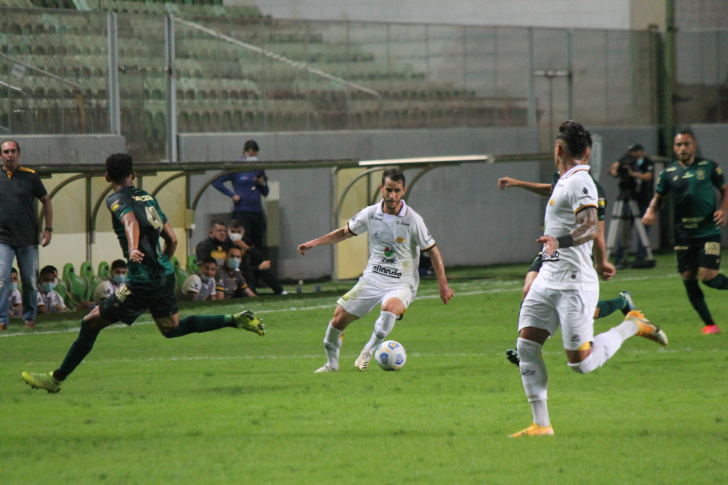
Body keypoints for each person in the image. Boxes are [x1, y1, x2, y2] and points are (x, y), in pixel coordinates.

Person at [21, 153, 265, 394]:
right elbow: (171, 240)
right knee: (172, 328)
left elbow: (130, 222)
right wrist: (161, 265)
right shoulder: (148, 198)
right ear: (133, 175)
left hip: (141, 280)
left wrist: (135, 248)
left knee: (90, 322)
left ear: (107, 177)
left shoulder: (115, 199)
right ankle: (234, 319)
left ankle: (56, 378)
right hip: (164, 274)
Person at [511, 121, 667, 438]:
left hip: (573, 283)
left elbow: (590, 225)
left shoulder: (582, 182)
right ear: (586, 151)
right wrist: (601, 260)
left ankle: (632, 325)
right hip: (549, 278)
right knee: (526, 346)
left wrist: (560, 242)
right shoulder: (564, 181)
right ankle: (541, 425)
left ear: (558, 150)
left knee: (581, 363)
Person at [298, 168, 454, 373]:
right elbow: (344, 233)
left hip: (402, 282)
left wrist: (443, 284)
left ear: (403, 191)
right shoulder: (370, 214)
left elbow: (433, 252)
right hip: (372, 279)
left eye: (397, 191)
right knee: (337, 320)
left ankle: (368, 350)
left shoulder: (413, 219)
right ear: (381, 188)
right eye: (388, 190)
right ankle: (331, 364)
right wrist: (314, 243)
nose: (392, 195)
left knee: (389, 308)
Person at [498, 164, 640, 366]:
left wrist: (601, 261)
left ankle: (622, 301)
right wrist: (518, 183)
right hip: (551, 251)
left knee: (591, 313)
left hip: (574, 256)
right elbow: (550, 189)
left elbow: (596, 229)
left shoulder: (592, 189)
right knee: (529, 288)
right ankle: (526, 349)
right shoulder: (561, 176)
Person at [642, 130, 728, 335]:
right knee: (688, 279)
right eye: (678, 145)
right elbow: (659, 197)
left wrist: (723, 210)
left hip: (707, 231)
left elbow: (725, 189)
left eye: (686, 144)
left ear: (694, 146)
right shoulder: (668, 173)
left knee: (708, 278)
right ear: (674, 148)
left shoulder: (708, 167)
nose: (682, 148)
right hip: (683, 234)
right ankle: (710, 324)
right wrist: (651, 210)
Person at [0, 140, 53, 330]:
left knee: (30, 280)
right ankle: (1, 320)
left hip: (28, 239)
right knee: (2, 279)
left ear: (19, 154)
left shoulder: (30, 176)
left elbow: (46, 201)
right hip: (3, 239)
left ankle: (29, 318)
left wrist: (48, 229)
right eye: (6, 151)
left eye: (13, 151)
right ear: (1, 156)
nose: (10, 155)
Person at [211, 140, 269, 252]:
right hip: (242, 211)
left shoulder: (258, 168)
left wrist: (262, 184)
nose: (253, 158)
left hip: (256, 211)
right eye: (251, 155)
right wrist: (232, 195)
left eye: (255, 156)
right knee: (239, 243)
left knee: (256, 244)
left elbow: (265, 192)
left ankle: (256, 268)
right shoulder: (236, 167)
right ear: (245, 152)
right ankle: (239, 267)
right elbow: (216, 181)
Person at [609, 143, 655, 268]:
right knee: (624, 229)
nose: (633, 154)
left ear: (641, 151)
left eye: (635, 151)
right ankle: (619, 257)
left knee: (643, 230)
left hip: (643, 200)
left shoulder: (646, 162)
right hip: (627, 198)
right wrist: (616, 170)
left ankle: (640, 257)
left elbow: (648, 177)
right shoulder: (626, 160)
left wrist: (633, 173)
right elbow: (613, 170)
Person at [228, 220, 286, 295]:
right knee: (247, 273)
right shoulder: (226, 243)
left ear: (243, 232)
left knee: (264, 269)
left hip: (246, 270)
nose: (236, 234)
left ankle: (280, 291)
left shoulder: (246, 241)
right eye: (233, 232)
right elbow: (234, 267)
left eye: (239, 232)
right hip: (232, 272)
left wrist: (248, 249)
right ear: (228, 232)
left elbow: (260, 257)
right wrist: (258, 268)